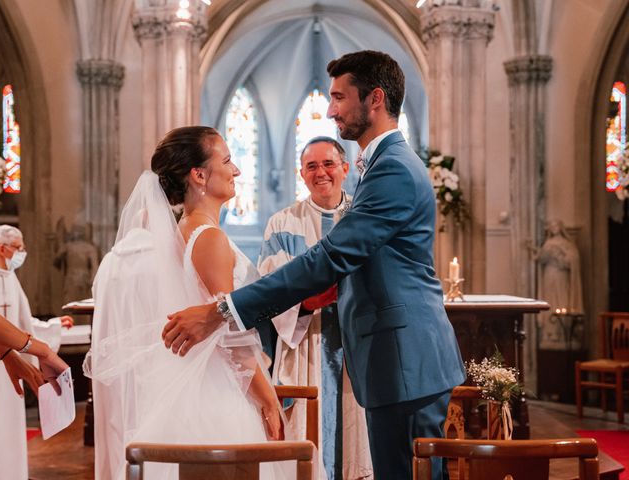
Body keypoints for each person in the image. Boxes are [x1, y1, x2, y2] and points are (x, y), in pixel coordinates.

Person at [163, 50, 466, 480]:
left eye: (340, 97)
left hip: (406, 359)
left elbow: (330, 257)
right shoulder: (383, 165)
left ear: (374, 99)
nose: (331, 109)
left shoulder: (393, 168)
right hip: (397, 359)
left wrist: (223, 310)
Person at [86, 127, 294, 480]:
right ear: (199, 175)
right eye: (227, 161)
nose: (237, 170)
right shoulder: (208, 237)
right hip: (217, 392)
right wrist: (268, 398)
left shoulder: (182, 232)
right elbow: (231, 333)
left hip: (194, 386)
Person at [258, 136, 372, 480]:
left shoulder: (364, 215)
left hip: (358, 342)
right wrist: (310, 300)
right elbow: (269, 287)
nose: (320, 172)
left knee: (359, 441)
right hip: (306, 343)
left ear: (345, 169)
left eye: (328, 164)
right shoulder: (282, 223)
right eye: (311, 166)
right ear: (301, 174)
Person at [0, 225, 73, 480]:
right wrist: (40, 351)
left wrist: (51, 328)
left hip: (7, 360)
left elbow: (24, 323)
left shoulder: (11, 277)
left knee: (10, 424)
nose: (23, 252)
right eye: (19, 247)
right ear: (2, 249)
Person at [534, 219, 584, 349]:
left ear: (561, 227)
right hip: (549, 275)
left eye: (555, 225)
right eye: (551, 226)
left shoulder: (567, 244)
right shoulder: (548, 243)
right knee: (550, 302)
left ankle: (562, 332)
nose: (553, 227)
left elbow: (572, 261)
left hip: (561, 276)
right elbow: (541, 258)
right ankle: (550, 333)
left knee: (561, 301)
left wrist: (560, 258)